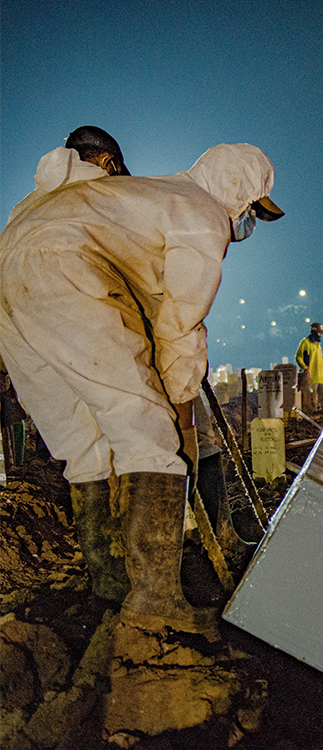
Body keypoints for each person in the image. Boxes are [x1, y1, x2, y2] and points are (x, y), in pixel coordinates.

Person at [0, 142, 283, 633]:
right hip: (69, 268)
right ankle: (155, 599)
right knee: (148, 438)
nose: (246, 224)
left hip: (9, 274)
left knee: (82, 444)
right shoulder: (202, 213)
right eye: (252, 211)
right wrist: (179, 406)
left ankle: (111, 586)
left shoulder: (142, 196)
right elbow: (181, 321)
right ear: (237, 192)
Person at [295, 321, 323, 413]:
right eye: (319, 333)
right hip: (311, 376)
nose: (320, 335)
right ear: (314, 332)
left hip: (322, 376)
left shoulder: (318, 344)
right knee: (312, 397)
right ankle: (312, 414)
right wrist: (305, 368)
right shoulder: (305, 343)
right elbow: (298, 357)